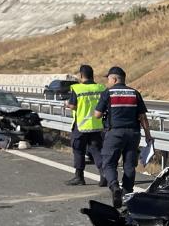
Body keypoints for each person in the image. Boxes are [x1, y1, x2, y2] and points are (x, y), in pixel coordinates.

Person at [93, 66, 154, 208]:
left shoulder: (108, 93)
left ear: (114, 79)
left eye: (108, 79)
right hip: (133, 133)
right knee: (129, 165)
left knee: (108, 163)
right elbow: (142, 116)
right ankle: (127, 195)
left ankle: (115, 188)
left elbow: (97, 114)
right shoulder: (134, 93)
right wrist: (148, 135)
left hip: (115, 133)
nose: (107, 82)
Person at [63, 64, 107, 186]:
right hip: (97, 125)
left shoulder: (77, 89)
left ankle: (79, 177)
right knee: (97, 150)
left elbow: (73, 106)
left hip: (81, 126)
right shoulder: (101, 88)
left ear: (81, 75)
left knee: (79, 150)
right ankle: (104, 176)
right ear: (92, 75)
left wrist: (67, 104)